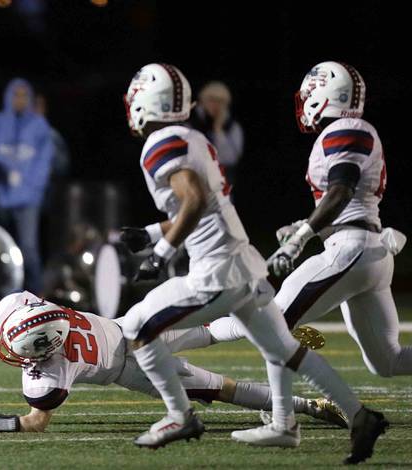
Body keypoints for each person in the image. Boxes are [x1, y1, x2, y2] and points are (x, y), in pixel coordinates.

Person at [116, 63, 385, 463]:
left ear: (144, 102)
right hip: (244, 263)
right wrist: (153, 233)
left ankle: (180, 416)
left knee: (138, 328)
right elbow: (201, 203)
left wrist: (161, 254)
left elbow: (191, 200)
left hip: (216, 271)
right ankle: (360, 416)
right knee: (285, 351)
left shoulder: (160, 145)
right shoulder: (192, 137)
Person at [193, 62, 411, 381]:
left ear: (325, 94)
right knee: (387, 361)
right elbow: (347, 200)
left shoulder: (344, 130)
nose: (305, 99)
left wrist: (301, 238)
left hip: (352, 251)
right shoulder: (350, 131)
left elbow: (342, 188)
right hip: (369, 252)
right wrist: (303, 226)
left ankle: (281, 421)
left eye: (310, 91)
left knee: (269, 320)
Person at [0, 291, 347, 432]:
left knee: (220, 387)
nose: (6, 345)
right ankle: (278, 330)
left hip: (135, 366)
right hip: (130, 326)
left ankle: (308, 406)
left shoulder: (53, 369)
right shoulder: (31, 312)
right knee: (211, 331)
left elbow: (34, 422)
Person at [0, 78, 54, 293]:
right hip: (1, 197)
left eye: (24, 96)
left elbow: (45, 162)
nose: (19, 100)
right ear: (7, 97)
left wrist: (32, 187)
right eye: (15, 95)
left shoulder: (39, 125)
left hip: (28, 198)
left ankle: (35, 294)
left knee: (28, 248)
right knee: (2, 249)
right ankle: (5, 295)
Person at [189, 81, 243, 190]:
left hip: (221, 188)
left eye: (221, 101)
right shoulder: (190, 123)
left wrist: (218, 129)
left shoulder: (232, 127)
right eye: (211, 99)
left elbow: (229, 159)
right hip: (194, 184)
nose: (216, 105)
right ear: (202, 100)